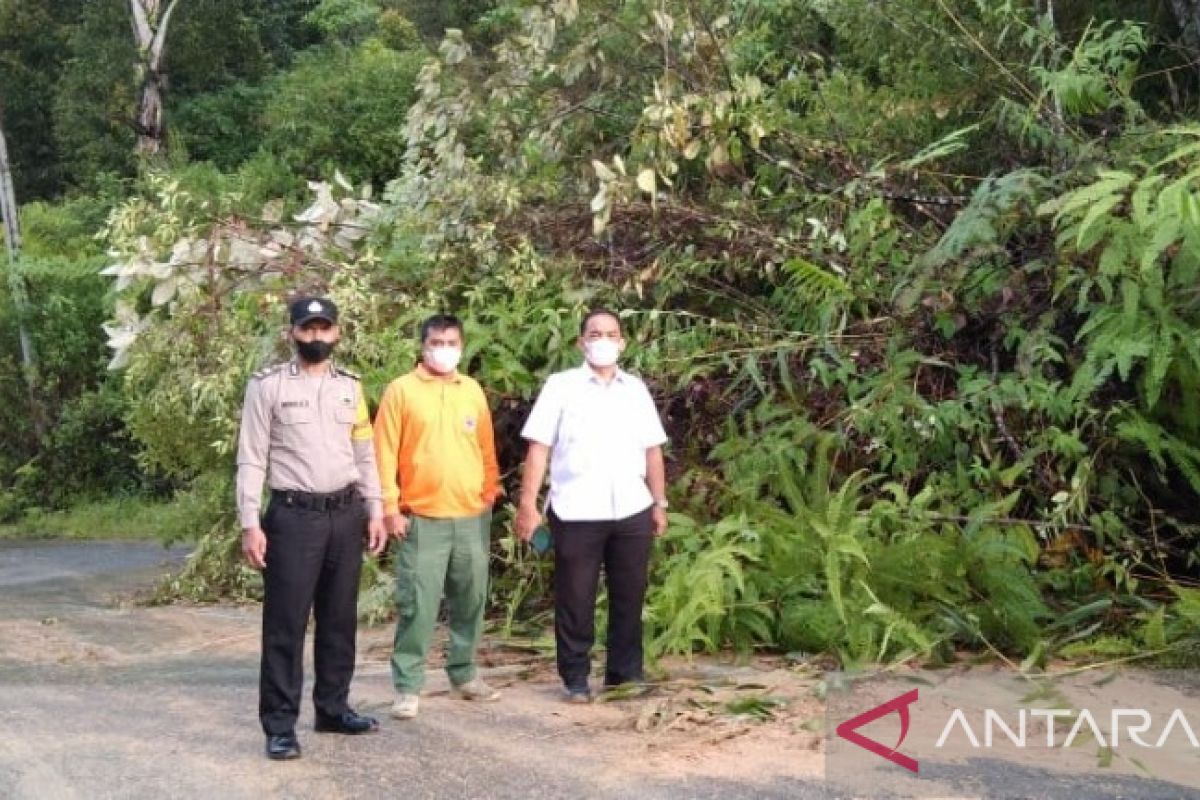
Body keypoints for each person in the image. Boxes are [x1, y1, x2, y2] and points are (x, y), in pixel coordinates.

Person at [236, 295, 388, 760]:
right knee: (286, 623)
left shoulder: (351, 388)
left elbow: (364, 452)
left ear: (337, 333)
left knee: (339, 618)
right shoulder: (268, 387)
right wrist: (249, 521)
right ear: (292, 334)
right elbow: (251, 455)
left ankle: (333, 708)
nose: (316, 337)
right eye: (308, 329)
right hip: (293, 517)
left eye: (324, 329)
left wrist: (375, 508)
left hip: (345, 514)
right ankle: (280, 725)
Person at [514, 309, 669, 703]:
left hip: (631, 507)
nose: (603, 340)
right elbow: (539, 448)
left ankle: (625, 673)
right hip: (576, 509)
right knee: (575, 597)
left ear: (622, 342)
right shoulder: (561, 387)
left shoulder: (635, 389)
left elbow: (652, 450)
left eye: (611, 334)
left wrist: (659, 502)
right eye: (595, 333)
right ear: (581, 342)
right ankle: (576, 677)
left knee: (629, 594)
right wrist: (528, 506)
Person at [373, 314, 502, 719]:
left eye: (450, 342)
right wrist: (390, 508)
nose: (443, 349)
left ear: (461, 345)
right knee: (419, 604)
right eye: (435, 342)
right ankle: (408, 686)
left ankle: (464, 673)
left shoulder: (472, 391)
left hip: (471, 517)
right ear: (423, 345)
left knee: (471, 599)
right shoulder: (402, 391)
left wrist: (489, 489)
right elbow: (384, 453)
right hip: (422, 518)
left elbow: (485, 446)